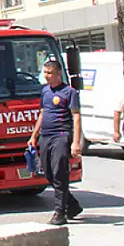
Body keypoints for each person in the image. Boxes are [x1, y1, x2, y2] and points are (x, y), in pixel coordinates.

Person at [28, 60, 84, 226]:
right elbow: (42, 113)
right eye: (45, 72)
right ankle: (72, 205)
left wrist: (75, 143)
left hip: (61, 135)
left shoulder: (69, 92)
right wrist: (34, 136)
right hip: (45, 136)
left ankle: (60, 212)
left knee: (59, 172)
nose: (46, 76)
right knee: (47, 172)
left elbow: (76, 116)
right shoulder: (45, 91)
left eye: (50, 73)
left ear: (59, 73)